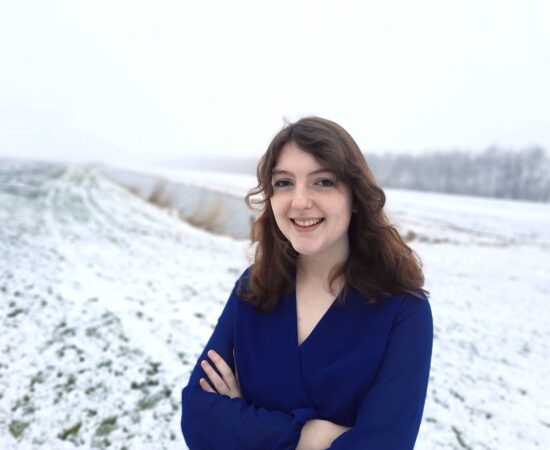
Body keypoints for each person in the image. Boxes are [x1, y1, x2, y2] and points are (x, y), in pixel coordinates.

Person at [180, 116, 433, 449]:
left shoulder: (403, 311)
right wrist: (308, 437)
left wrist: (244, 421)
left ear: (355, 196)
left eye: (323, 182)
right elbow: (198, 417)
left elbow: (385, 444)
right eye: (284, 183)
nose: (299, 201)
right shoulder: (254, 288)